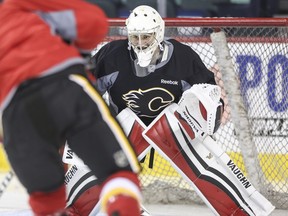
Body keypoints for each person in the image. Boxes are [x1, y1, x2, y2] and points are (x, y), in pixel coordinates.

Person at [62, 4, 225, 216]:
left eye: (145, 37)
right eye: (134, 37)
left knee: (207, 161)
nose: (139, 43)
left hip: (172, 130)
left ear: (158, 33)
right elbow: (87, 93)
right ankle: (81, 206)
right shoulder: (112, 55)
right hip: (125, 129)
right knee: (90, 152)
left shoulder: (183, 57)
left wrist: (200, 123)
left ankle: (236, 205)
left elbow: (209, 97)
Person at [0, 0, 142, 216]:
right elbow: (92, 22)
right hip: (63, 85)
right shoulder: (18, 5)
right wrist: (76, 48)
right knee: (118, 176)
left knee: (47, 201)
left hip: (15, 112)